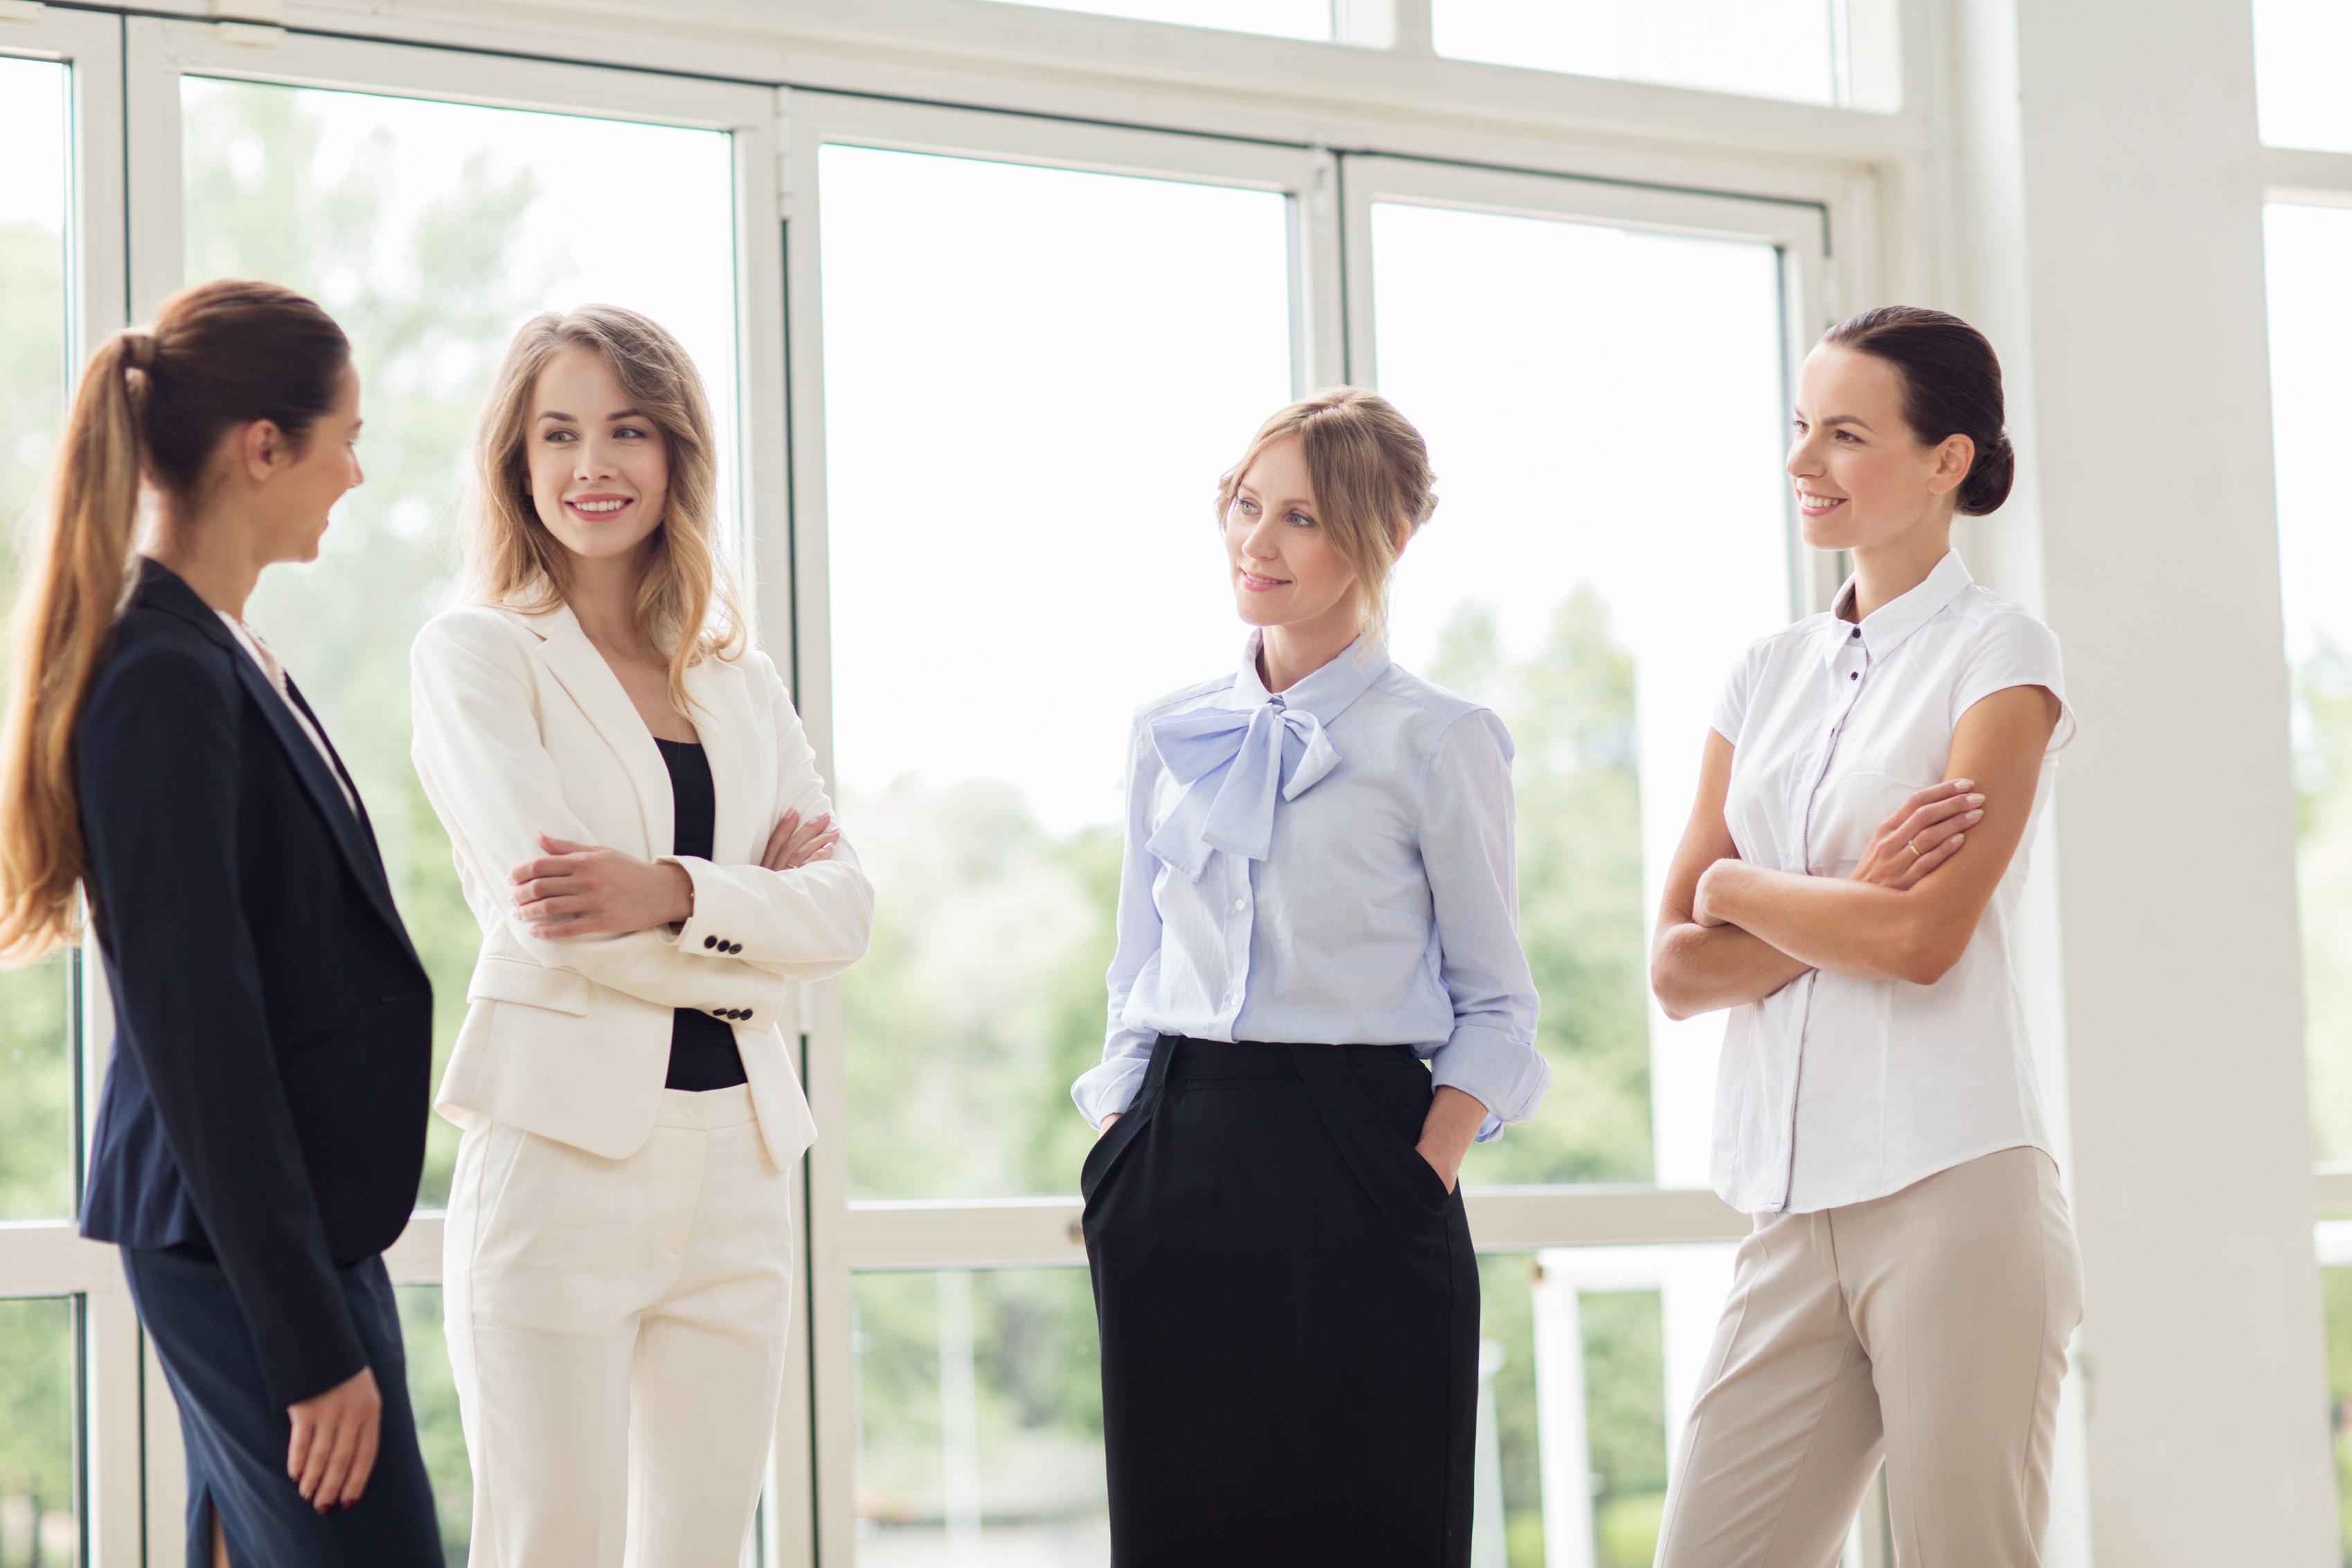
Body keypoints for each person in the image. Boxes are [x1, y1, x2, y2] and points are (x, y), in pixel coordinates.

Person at [409, 303, 872, 1567]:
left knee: (704, 1550)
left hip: (742, 1164)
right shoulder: (478, 656)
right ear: (517, 460)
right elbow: (562, 924)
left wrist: (671, 889)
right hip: (563, 1158)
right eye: (557, 434)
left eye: (626, 431)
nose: (591, 466)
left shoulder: (738, 678)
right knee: (547, 1543)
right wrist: (747, 922)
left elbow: (846, 910)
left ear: (677, 454)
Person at [0, 279, 440, 1566]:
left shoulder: (223, 648)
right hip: (243, 1247)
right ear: (264, 445)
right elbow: (204, 1034)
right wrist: (310, 1344)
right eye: (344, 437)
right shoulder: (162, 673)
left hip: (280, 1234)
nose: (354, 474)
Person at [1072, 387, 1549, 1567]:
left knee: (1373, 1527)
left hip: (1362, 1158)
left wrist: (1416, 1172)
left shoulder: (1438, 740)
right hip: (1176, 1149)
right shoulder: (1166, 732)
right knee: (1182, 1535)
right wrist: (1121, 1147)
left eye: (1302, 519)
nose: (1258, 541)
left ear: (1382, 542)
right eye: (1246, 506)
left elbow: (1499, 1002)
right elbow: (1136, 968)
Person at [1649, 305, 2083, 1565]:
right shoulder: (1763, 672)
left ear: (1949, 460)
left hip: (1952, 1190)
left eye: (1845, 434)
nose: (1804, 463)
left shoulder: (2002, 653)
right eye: (1800, 428)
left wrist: (1742, 887)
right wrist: (1827, 897)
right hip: (1790, 1209)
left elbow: (1923, 941)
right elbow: (1677, 971)